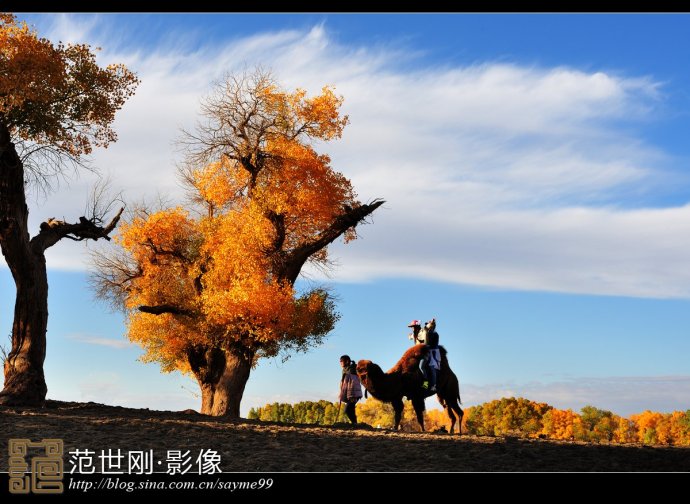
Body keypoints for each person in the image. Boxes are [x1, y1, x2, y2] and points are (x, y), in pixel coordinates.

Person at [339, 355, 363, 424]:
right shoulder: (344, 370)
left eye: (341, 361)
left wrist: (352, 395)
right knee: (351, 409)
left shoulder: (352, 369)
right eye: (340, 362)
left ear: (347, 361)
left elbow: (353, 383)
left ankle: (354, 423)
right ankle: (355, 424)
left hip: (353, 393)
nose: (340, 363)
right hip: (350, 393)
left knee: (348, 410)